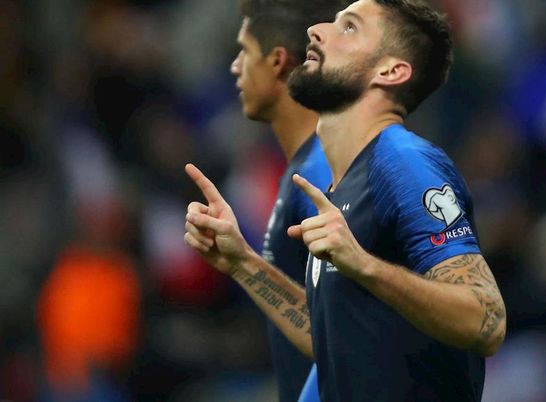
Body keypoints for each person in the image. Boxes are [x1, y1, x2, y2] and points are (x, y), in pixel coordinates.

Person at [184, 0, 507, 400]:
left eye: (349, 27)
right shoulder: (345, 183)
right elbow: (335, 343)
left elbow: (488, 318)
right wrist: (242, 263)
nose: (316, 31)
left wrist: (364, 265)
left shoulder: (403, 161)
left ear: (390, 71)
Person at [185, 1, 349, 401]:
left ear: (277, 61)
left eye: (244, 52)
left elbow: (352, 340)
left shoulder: (323, 173)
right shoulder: (302, 169)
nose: (235, 67)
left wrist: (244, 264)